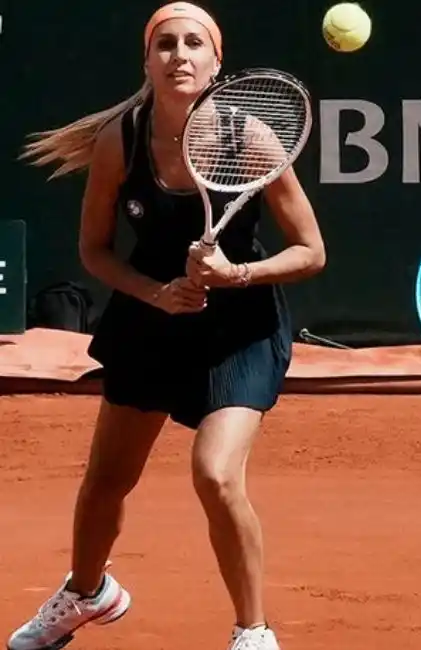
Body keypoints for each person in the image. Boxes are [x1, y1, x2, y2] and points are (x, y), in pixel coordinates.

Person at [8, 3, 325, 650]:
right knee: (106, 481)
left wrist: (236, 274)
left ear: (216, 63)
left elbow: (311, 251)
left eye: (193, 44)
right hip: (149, 317)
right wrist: (157, 293)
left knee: (215, 473)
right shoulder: (119, 140)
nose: (179, 55)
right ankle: (88, 591)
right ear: (147, 62)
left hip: (240, 326)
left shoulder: (250, 137)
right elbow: (95, 251)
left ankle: (253, 631)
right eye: (165, 45)